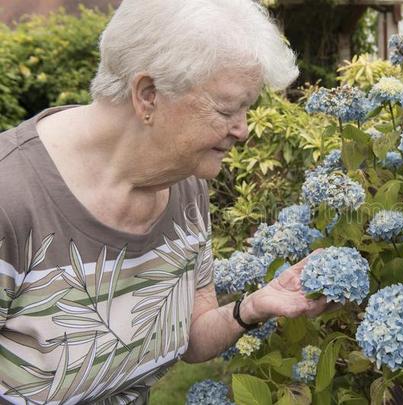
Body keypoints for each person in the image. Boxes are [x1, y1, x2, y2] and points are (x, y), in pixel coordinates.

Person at [0, 1, 333, 403]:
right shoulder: (12, 198)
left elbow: (191, 337)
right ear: (148, 94)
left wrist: (255, 306)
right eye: (228, 108)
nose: (243, 130)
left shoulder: (185, 186)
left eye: (247, 109)